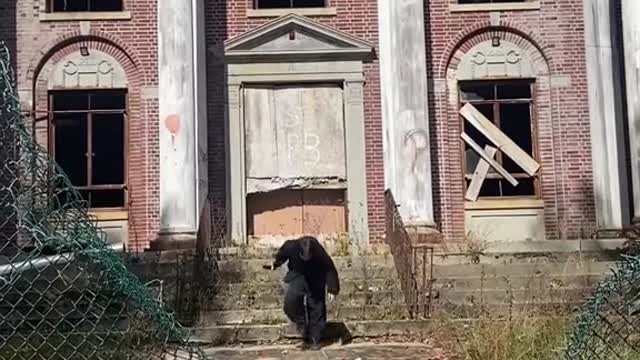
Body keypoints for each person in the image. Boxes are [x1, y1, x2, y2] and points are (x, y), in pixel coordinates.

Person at [263, 236, 340, 350]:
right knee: (290, 303)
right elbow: (282, 255)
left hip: (316, 276)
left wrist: (332, 289)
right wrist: (276, 264)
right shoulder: (291, 246)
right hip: (298, 274)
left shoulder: (318, 251)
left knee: (316, 306)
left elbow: (329, 267)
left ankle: (315, 339)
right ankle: (303, 326)